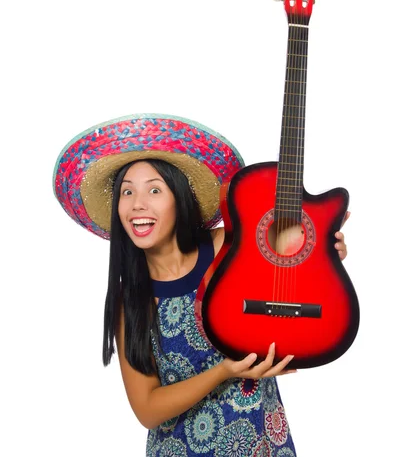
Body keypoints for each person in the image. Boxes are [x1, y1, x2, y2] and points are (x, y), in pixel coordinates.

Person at [53, 113, 349, 457]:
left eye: (154, 190)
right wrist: (224, 372)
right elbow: (147, 409)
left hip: (262, 444)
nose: (138, 204)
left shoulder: (228, 246)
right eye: (126, 192)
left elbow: (288, 255)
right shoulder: (131, 299)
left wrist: (323, 254)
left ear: (178, 198)